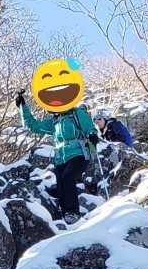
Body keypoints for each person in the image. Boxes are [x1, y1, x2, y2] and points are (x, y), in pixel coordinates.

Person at [16, 73, 100, 223]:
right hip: (61, 157)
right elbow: (34, 126)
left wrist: (92, 135)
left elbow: (89, 128)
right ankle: (65, 216)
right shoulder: (54, 121)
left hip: (79, 154)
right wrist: (22, 106)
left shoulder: (77, 114)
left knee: (68, 177)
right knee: (61, 184)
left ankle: (73, 212)